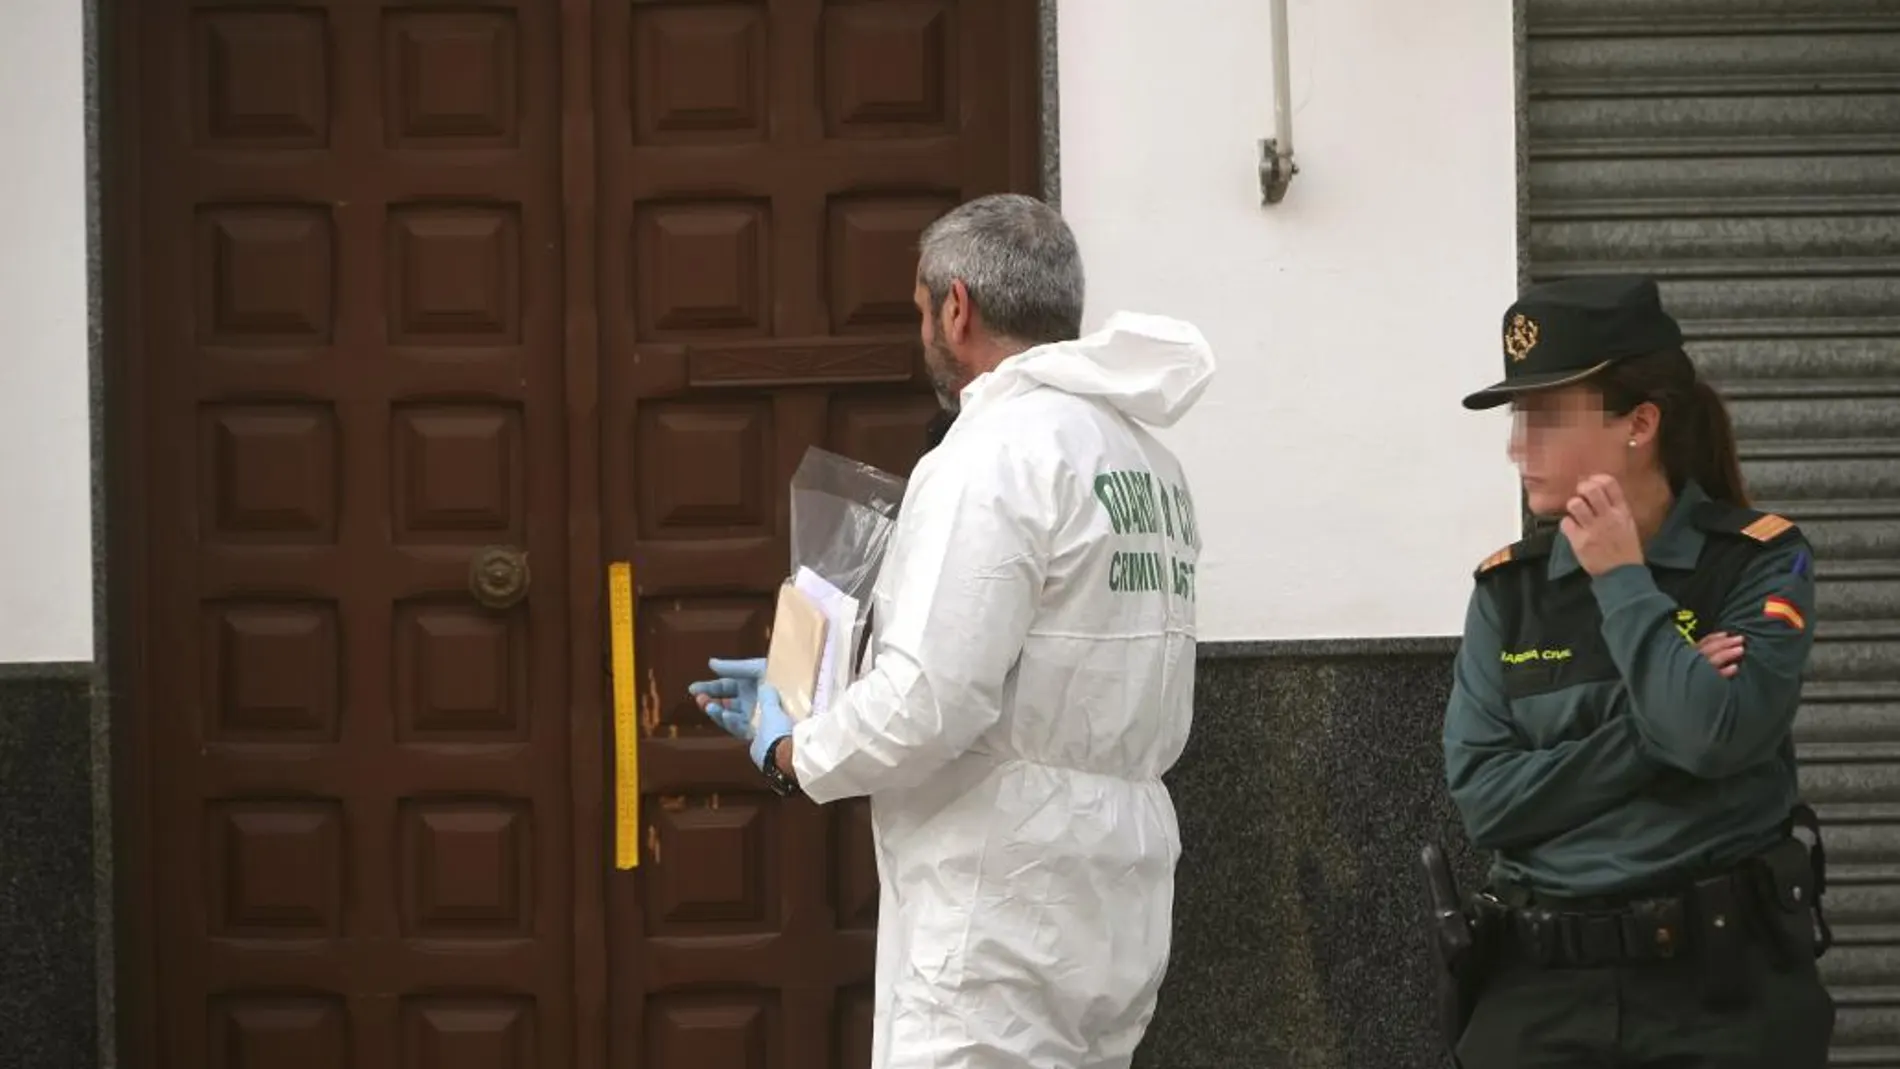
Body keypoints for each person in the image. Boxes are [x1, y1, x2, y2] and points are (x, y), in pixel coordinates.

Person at [686, 192, 1214, 1069]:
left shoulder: (990, 454)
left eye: (921, 310)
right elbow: (1037, 663)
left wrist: (794, 751)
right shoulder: (1145, 461)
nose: (923, 329)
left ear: (956, 307)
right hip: (1112, 892)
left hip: (998, 909)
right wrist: (823, 688)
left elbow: (931, 701)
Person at [1440, 274, 1836, 1067]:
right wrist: (1650, 734)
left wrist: (1624, 580)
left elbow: (1713, 740)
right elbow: (1486, 801)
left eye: (1547, 417)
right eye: (1521, 418)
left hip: (1721, 998)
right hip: (1538, 993)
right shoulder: (1509, 592)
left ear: (1640, 423)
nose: (1520, 446)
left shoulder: (1757, 563)